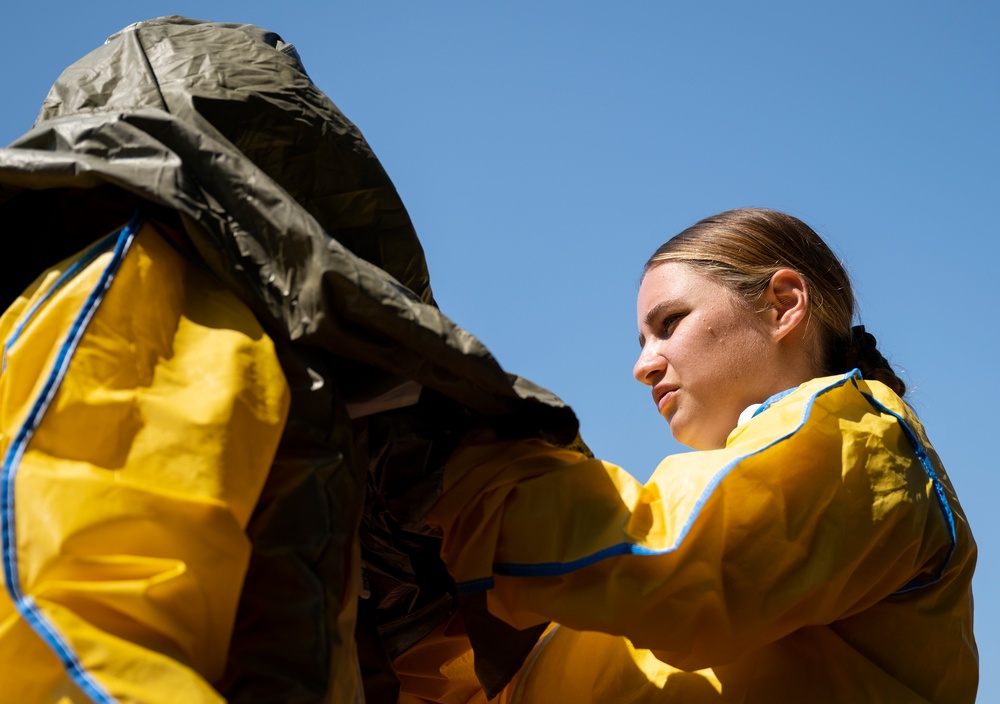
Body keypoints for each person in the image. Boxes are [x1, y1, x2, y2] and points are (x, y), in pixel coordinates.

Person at [403, 208, 978, 702]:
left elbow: (678, 573)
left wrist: (462, 472)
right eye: (641, 341)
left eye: (669, 323)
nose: (643, 366)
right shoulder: (624, 572)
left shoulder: (862, 436)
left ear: (783, 304)